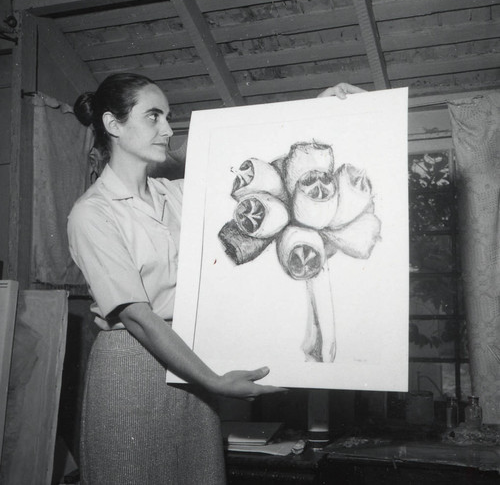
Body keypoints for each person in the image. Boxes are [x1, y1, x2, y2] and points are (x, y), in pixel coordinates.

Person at [68, 74, 363, 485]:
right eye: (153, 117)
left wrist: (316, 108)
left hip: (191, 363)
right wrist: (212, 380)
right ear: (114, 125)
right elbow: (136, 316)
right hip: (132, 371)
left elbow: (264, 168)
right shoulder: (92, 213)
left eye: (168, 117)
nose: (168, 129)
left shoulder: (176, 194)